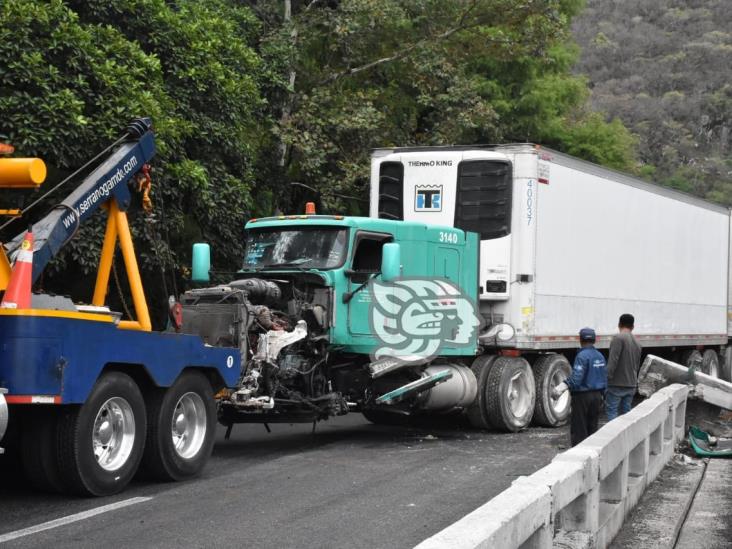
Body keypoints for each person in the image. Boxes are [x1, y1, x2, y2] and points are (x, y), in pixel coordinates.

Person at [552, 328, 607, 446]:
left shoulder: (582, 356)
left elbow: (576, 379)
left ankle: (580, 457)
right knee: (592, 428)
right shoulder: (600, 356)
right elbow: (604, 377)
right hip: (597, 396)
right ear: (595, 340)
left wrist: (559, 388)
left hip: (583, 397)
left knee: (579, 430)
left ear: (580, 340)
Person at [605, 313, 642, 421]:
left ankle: (613, 436)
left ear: (619, 324)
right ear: (633, 326)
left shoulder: (618, 338)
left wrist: (606, 379)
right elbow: (637, 365)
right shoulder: (638, 343)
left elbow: (613, 362)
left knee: (612, 412)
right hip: (631, 384)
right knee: (626, 416)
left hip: (617, 383)